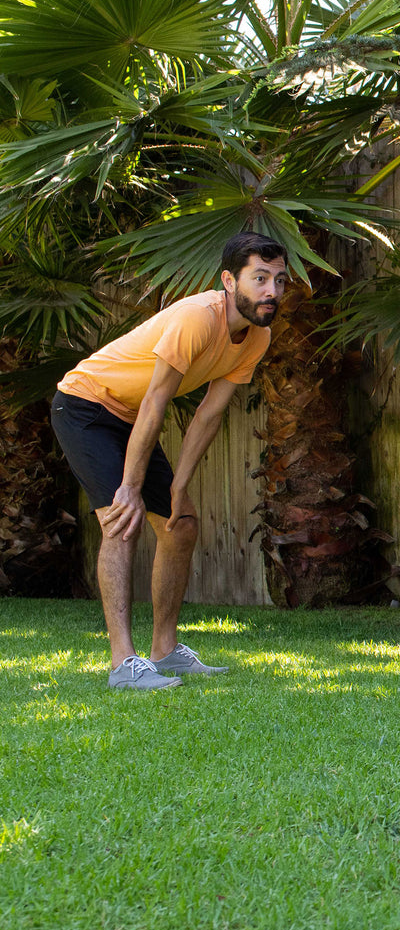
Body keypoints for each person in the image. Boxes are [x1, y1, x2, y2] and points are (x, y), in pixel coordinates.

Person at [50, 231, 289, 690]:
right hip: (85, 405)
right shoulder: (197, 319)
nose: (271, 292)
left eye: (279, 280)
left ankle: (165, 651)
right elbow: (157, 402)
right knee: (123, 519)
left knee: (181, 525)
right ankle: (123, 664)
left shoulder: (257, 336)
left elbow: (209, 413)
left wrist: (179, 486)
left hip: (130, 416)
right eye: (260, 279)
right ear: (228, 280)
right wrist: (130, 486)